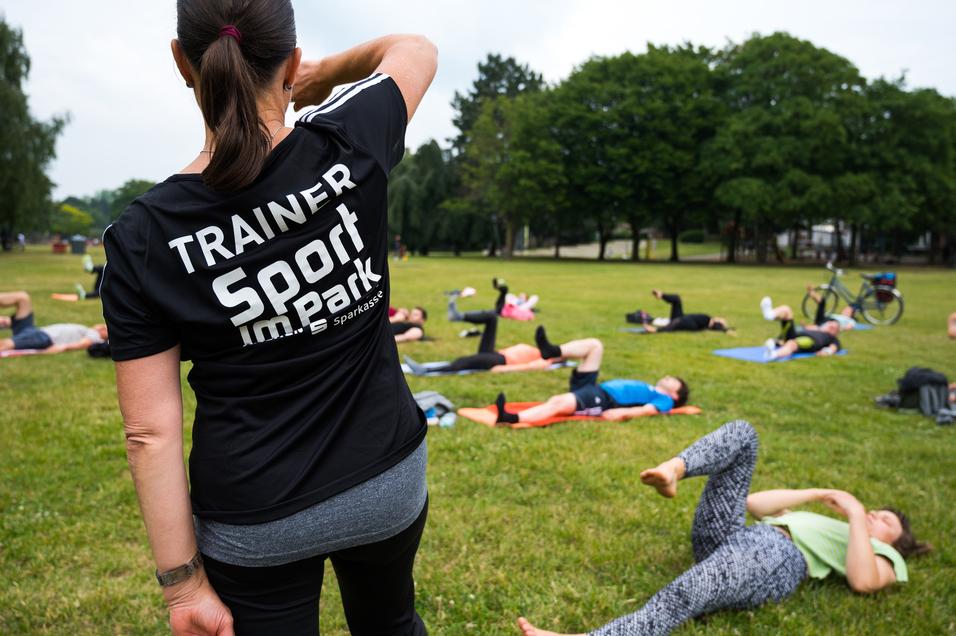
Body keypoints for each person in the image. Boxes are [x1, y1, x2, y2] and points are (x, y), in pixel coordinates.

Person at [99, 4, 436, 633]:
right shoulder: (350, 137)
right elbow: (415, 49)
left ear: (182, 63)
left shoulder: (143, 237)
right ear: (291, 61)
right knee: (391, 624)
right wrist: (325, 74)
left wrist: (182, 589)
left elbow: (151, 433)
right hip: (386, 477)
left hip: (257, 514)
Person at [516, 419, 930, 636]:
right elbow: (753, 503)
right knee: (744, 435)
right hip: (737, 539)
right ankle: (675, 468)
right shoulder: (828, 522)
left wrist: (858, 515)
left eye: (886, 520)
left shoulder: (886, 556)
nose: (875, 515)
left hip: (778, 561)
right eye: (875, 511)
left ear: (898, 542)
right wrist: (820, 493)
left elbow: (863, 582)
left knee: (687, 591)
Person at [494, 329, 688, 425]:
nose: (668, 377)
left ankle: (512, 417)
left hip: (603, 400)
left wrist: (623, 414)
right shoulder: (651, 389)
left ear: (675, 395)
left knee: (559, 402)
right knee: (595, 345)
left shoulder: (664, 400)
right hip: (595, 388)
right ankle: (552, 350)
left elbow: (648, 411)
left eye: (673, 381)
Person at [404, 322, 565, 375]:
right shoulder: (542, 351)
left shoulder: (545, 361)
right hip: (495, 353)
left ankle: (425, 371)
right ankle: (460, 315)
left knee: (464, 362)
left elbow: (524, 367)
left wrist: (500, 368)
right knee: (491, 319)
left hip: (499, 360)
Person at [0, 290, 107, 354]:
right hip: (34, 331)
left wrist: (59, 349)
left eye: (106, 328)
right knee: (23, 298)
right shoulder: (90, 330)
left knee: (5, 344)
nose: (103, 326)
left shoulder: (95, 336)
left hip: (42, 338)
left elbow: (81, 344)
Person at [640, 290, 730, 333]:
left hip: (688, 323)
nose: (721, 318)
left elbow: (721, 328)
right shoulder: (708, 318)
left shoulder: (708, 323)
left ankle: (655, 330)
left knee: (676, 323)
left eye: (722, 320)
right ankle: (661, 295)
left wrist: (725, 329)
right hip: (682, 317)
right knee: (677, 299)